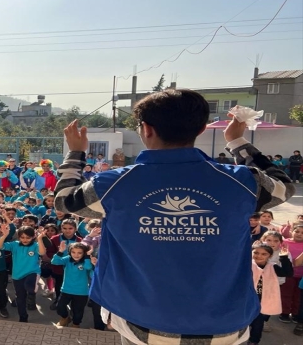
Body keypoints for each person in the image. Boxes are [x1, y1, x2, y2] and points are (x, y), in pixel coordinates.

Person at [54, 90, 295, 344]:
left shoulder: (112, 184)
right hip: (226, 324)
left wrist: (76, 152)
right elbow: (283, 186)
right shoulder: (244, 181)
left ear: (146, 129)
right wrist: (236, 141)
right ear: (202, 129)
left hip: (141, 323)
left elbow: (65, 198)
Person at [249, 243, 293, 345]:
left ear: (270, 256)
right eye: (256, 253)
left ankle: (253, 341)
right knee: (245, 321)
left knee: (258, 324)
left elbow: (288, 273)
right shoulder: (247, 265)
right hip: (248, 299)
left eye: (264, 254)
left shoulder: (272, 267)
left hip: (264, 300)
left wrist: (284, 257)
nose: (259, 256)